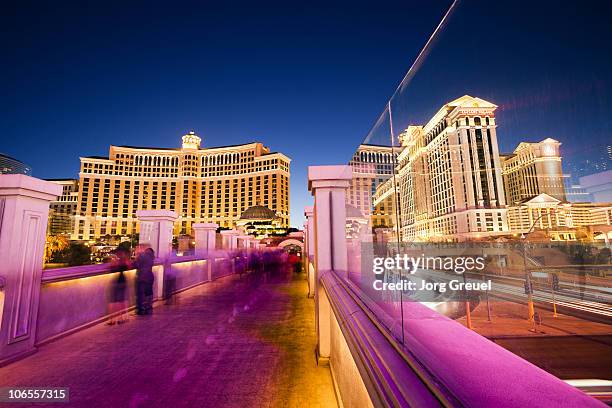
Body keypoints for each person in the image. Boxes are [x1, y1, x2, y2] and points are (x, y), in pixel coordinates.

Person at [108, 248, 130, 325]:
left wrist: (113, 263)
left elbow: (111, 268)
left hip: (116, 282)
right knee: (121, 300)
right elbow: (128, 266)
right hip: (122, 281)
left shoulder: (116, 262)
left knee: (114, 300)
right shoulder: (124, 261)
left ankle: (112, 319)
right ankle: (122, 318)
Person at [133, 245, 155, 315]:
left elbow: (135, 265)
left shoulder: (142, 256)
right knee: (148, 292)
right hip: (150, 276)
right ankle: (148, 307)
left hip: (142, 277)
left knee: (140, 294)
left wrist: (136, 257)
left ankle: (140, 309)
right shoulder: (152, 258)